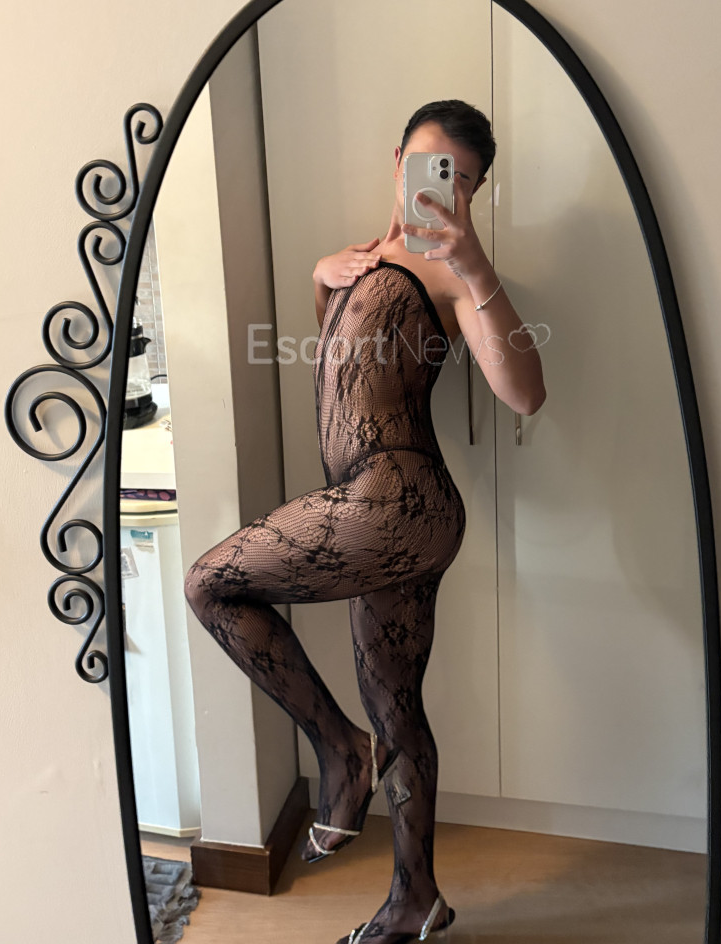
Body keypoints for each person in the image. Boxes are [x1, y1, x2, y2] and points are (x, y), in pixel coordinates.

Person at [184, 99, 546, 943]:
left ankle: (339, 751)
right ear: (398, 162)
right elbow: (345, 365)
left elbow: (526, 393)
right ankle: (416, 901)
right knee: (398, 711)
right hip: (384, 511)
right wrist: (321, 277)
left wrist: (476, 268)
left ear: (474, 193)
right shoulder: (361, 258)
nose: (443, 189)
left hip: (395, 499)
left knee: (209, 584)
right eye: (431, 166)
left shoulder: (455, 275)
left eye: (461, 180)